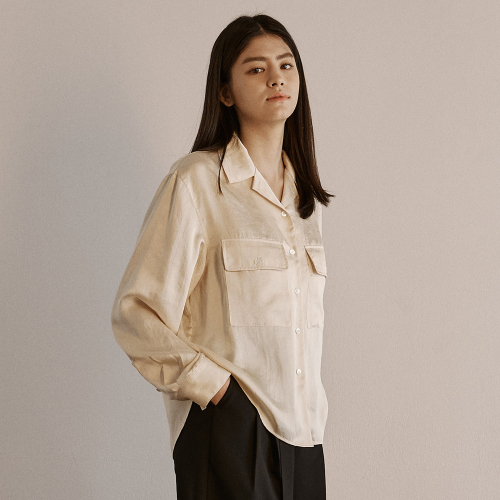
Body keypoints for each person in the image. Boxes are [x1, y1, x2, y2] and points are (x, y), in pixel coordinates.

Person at [111, 13, 334, 500]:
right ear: (225, 92)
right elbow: (136, 313)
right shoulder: (196, 183)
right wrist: (216, 389)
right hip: (231, 427)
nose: (276, 77)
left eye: (287, 64)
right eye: (256, 68)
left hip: (305, 435)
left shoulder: (304, 202)